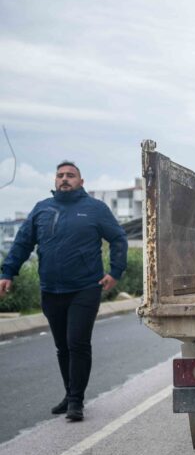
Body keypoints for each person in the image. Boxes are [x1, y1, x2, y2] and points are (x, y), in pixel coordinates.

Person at [0, 161, 127, 422]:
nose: (64, 179)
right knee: (62, 347)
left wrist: (115, 272)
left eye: (70, 175)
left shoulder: (95, 209)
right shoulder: (42, 209)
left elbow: (118, 238)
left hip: (85, 288)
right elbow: (23, 243)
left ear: (81, 181)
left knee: (77, 343)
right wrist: (7, 272)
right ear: (55, 180)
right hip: (50, 289)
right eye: (60, 175)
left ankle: (76, 401)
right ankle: (70, 394)